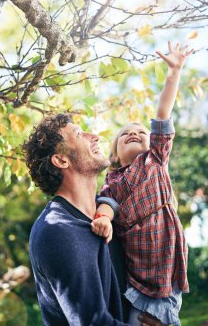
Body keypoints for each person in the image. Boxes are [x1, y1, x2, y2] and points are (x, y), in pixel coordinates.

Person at [22, 113, 164, 326]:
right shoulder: (56, 231)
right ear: (61, 160)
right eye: (80, 134)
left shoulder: (111, 214)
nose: (95, 136)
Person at [92, 42, 194, 326]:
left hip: (168, 272)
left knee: (165, 318)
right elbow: (107, 203)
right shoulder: (112, 180)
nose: (134, 132)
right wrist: (103, 219)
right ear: (114, 153)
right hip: (138, 280)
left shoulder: (155, 160)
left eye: (140, 131)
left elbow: (162, 115)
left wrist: (174, 73)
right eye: (126, 133)